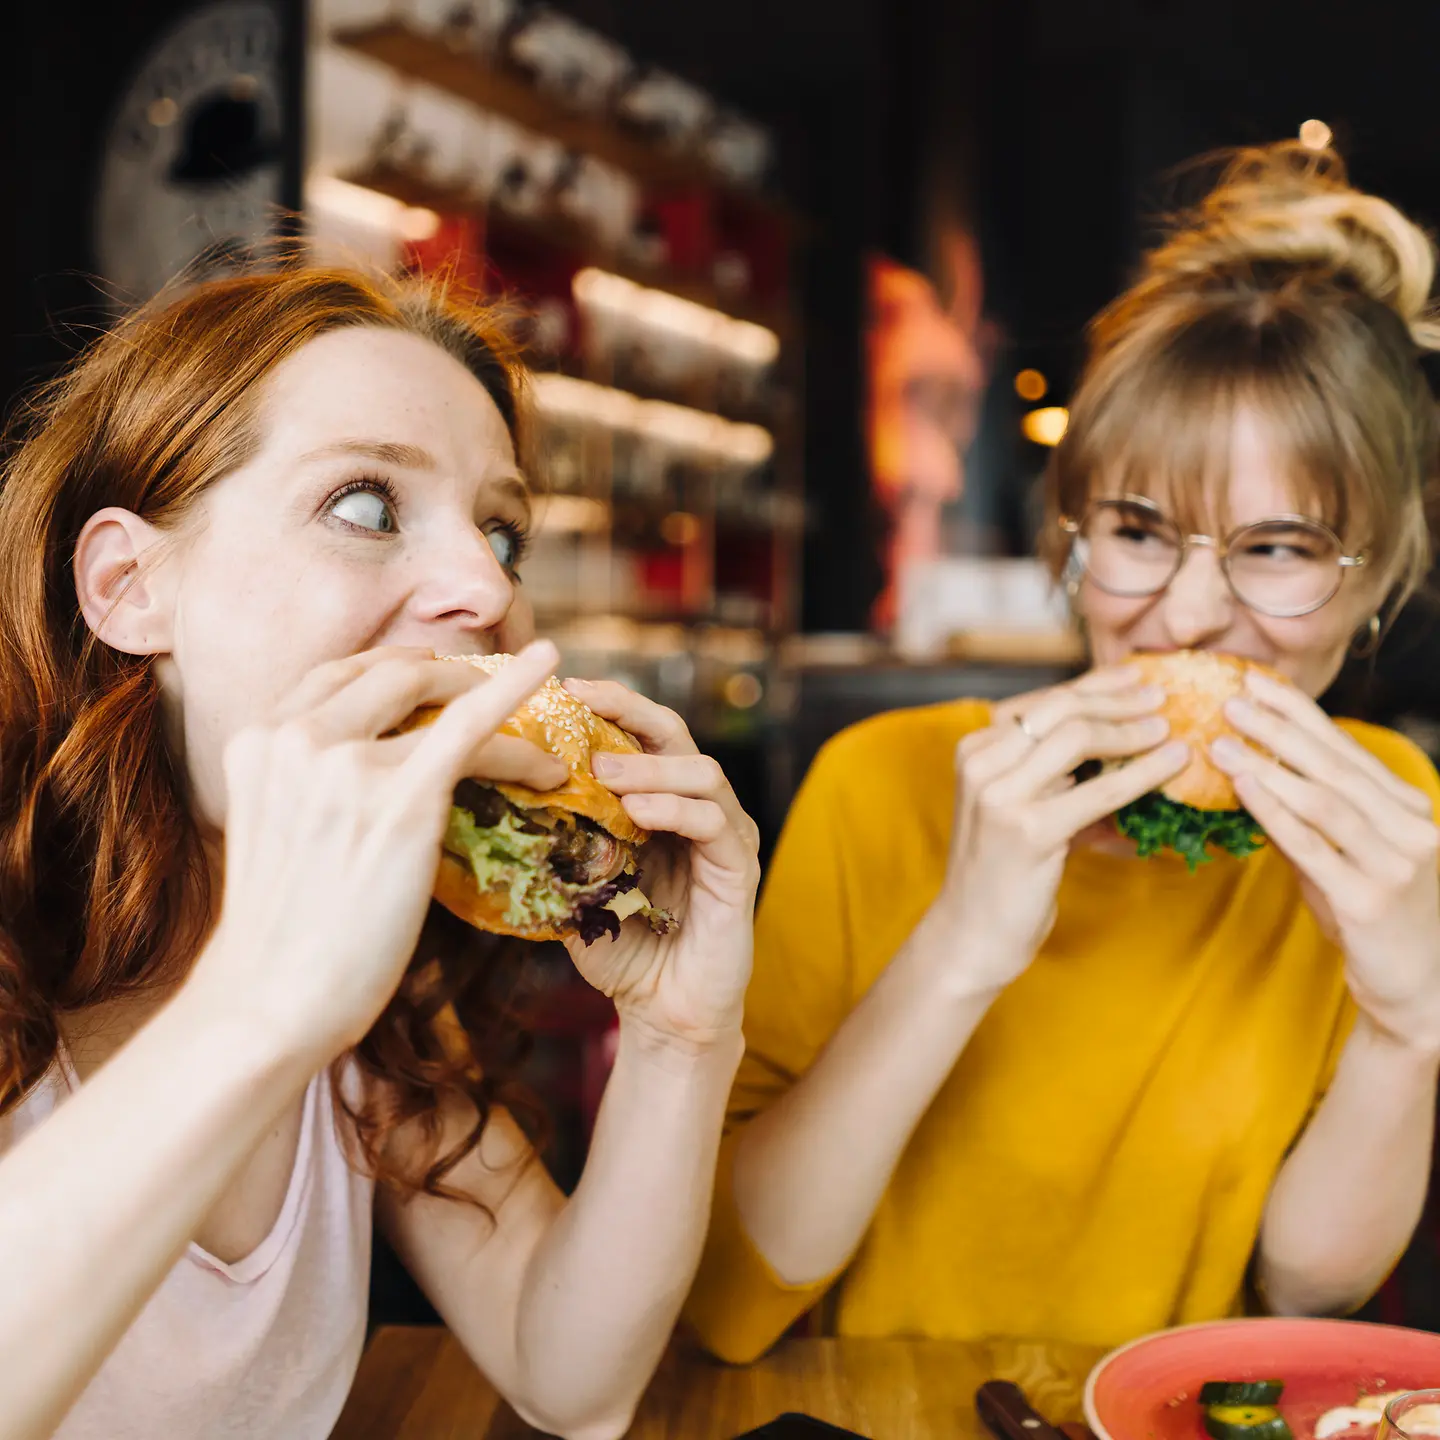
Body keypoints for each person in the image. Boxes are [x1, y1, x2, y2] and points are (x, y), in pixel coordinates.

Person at [684, 141, 1440, 1361]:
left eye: (1280, 548)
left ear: (1378, 583)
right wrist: (961, 951)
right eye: (1139, 529)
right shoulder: (886, 781)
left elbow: (1306, 1295)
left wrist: (1415, 1023)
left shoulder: (1393, 823)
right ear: (1071, 535)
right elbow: (722, 1298)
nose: (1189, 616)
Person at [0, 265, 761, 1439]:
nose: (483, 589)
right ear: (128, 587)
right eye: (366, 505)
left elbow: (572, 1377)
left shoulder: (373, 1010)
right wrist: (259, 1005)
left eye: (501, 532)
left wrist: (679, 1035)